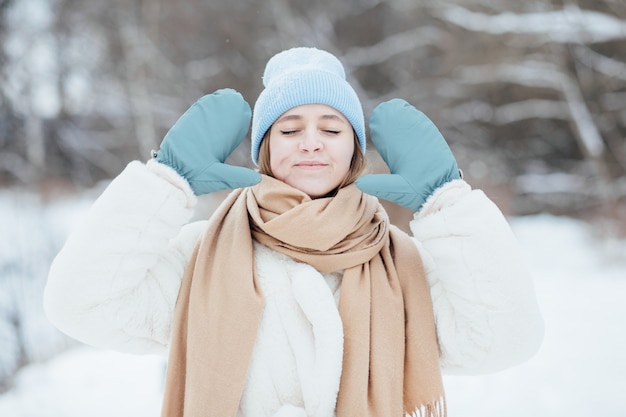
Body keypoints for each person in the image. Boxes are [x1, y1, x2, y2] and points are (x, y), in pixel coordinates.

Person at [44, 47, 544, 417]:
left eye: (331, 129)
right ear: (263, 149)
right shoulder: (200, 255)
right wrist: (165, 181)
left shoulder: (403, 261)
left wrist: (447, 201)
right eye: (288, 129)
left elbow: (506, 340)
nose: (310, 144)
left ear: (355, 150)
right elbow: (79, 303)